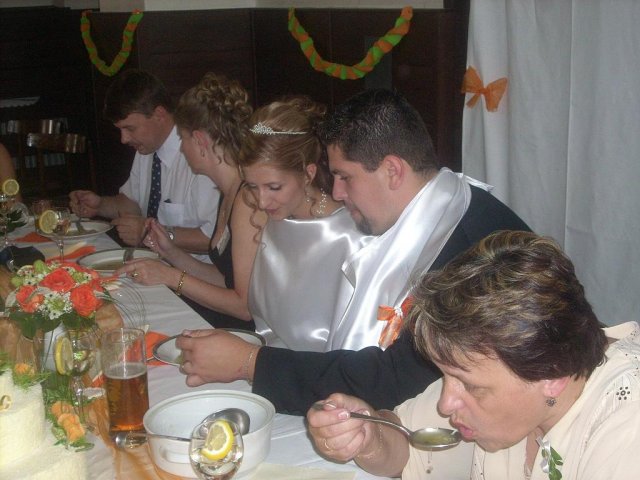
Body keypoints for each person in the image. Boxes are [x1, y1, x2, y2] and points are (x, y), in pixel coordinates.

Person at [176, 89, 530, 413]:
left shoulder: (470, 253)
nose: (338, 193)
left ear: (392, 170)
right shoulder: (444, 207)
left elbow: (392, 380)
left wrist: (250, 363)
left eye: (345, 177)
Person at [307, 230, 640, 480]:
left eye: (470, 386)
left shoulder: (627, 426)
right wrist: (368, 436)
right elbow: (409, 447)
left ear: (552, 374)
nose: (445, 404)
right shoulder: (496, 364)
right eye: (447, 376)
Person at [115, 72, 259, 329]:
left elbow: (245, 307)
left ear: (200, 141)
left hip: (252, 330)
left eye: (182, 138)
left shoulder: (246, 199)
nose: (181, 148)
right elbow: (225, 280)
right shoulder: (228, 193)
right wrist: (170, 252)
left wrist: (171, 277)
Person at [240, 95, 370, 350]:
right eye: (253, 186)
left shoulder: (348, 236)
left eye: (274, 187)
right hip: (269, 356)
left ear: (308, 173)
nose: (262, 202)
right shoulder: (276, 220)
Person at [68, 69, 219, 256]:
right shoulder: (146, 148)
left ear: (159, 114)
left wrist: (150, 232)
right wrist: (100, 205)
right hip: (153, 261)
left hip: (193, 269)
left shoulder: (199, 156)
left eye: (130, 128)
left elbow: (217, 240)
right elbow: (133, 203)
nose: (124, 139)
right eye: (120, 130)